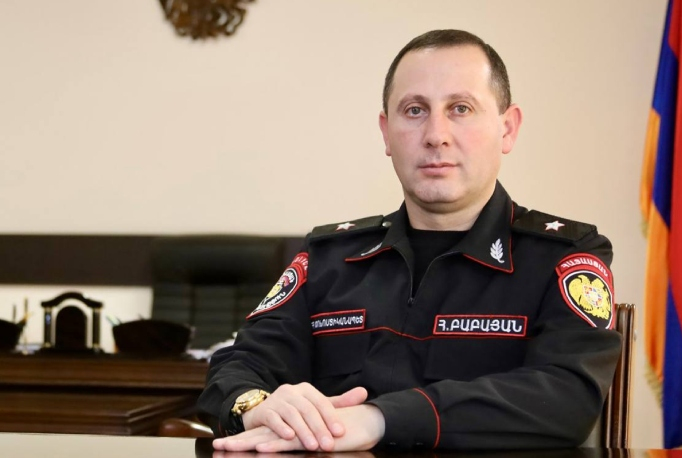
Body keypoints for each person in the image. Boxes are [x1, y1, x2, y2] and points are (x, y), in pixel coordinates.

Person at [196, 29, 622, 452]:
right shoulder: (330, 258)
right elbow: (239, 363)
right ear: (386, 132)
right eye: (415, 110)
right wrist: (258, 407)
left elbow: (567, 397)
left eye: (460, 108)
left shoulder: (563, 258)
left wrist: (380, 419)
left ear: (507, 129)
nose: (436, 134)